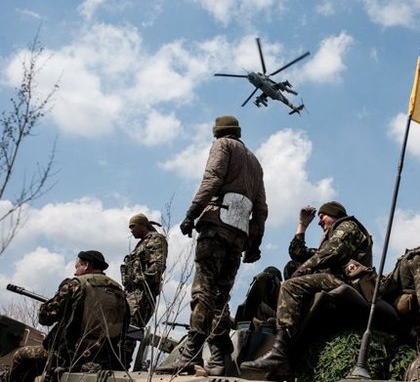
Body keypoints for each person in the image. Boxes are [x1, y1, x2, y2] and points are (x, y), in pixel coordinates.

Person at [158, 115, 267, 376]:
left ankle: (190, 353)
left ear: (218, 132)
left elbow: (212, 178)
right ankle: (218, 355)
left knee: (203, 291)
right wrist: (254, 242)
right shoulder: (255, 162)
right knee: (220, 297)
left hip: (216, 225)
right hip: (239, 234)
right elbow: (261, 208)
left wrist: (192, 213)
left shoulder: (223, 145)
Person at [240, 201, 373, 380]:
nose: (319, 222)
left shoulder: (348, 226)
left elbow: (331, 252)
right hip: (333, 279)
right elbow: (298, 252)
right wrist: (302, 225)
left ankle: (279, 355)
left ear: (335, 214)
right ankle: (285, 336)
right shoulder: (331, 235)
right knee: (291, 266)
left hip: (347, 281)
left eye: (322, 216)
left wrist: (305, 268)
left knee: (291, 285)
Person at [7, 251, 128, 382]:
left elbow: (45, 317)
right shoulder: (119, 291)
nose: (75, 273)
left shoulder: (77, 283)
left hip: (68, 355)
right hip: (104, 358)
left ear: (86, 265)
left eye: (77, 267)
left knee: (21, 355)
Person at [120, 213, 168, 368]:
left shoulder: (156, 239)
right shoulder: (142, 243)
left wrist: (139, 280)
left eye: (133, 227)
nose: (131, 231)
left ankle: (122, 364)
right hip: (132, 292)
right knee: (123, 328)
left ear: (142, 226)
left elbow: (157, 267)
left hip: (142, 293)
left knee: (130, 330)